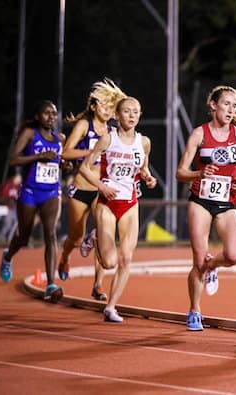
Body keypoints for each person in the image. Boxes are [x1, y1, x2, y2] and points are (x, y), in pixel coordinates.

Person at [176, 85, 236, 331]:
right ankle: (194, 310)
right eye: (226, 104)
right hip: (201, 201)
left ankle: (214, 266)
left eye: (235, 106)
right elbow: (180, 172)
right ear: (213, 105)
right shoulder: (199, 134)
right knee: (198, 261)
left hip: (227, 202)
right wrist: (199, 173)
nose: (231, 110)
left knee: (233, 255)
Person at [78, 96, 156, 322]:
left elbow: (143, 168)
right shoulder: (107, 139)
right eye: (127, 111)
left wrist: (148, 178)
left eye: (136, 112)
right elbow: (84, 168)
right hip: (107, 204)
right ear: (117, 115)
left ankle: (111, 307)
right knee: (109, 261)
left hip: (130, 203)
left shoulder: (144, 142)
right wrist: (101, 186)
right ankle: (95, 238)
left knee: (125, 259)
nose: (132, 115)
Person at [57, 79, 127, 301]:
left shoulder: (112, 131)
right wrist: (90, 153)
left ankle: (97, 285)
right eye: (104, 106)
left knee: (102, 237)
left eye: (110, 107)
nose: (107, 111)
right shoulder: (83, 126)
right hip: (80, 187)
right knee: (76, 238)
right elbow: (65, 153)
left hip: (102, 189)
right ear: (95, 106)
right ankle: (65, 256)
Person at [0, 100, 68, 302]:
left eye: (54, 114)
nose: (51, 117)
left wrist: (64, 166)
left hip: (52, 192)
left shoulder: (60, 138)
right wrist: (37, 157)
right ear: (38, 116)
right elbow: (13, 159)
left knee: (50, 234)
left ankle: (50, 284)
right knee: (24, 235)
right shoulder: (30, 134)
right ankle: (8, 256)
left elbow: (58, 161)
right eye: (46, 113)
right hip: (30, 191)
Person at [0, 173, 22, 242]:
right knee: (7, 223)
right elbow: (1, 197)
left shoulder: (18, 187)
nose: (19, 181)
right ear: (14, 178)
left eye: (20, 180)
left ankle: (9, 238)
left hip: (14, 208)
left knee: (15, 223)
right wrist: (10, 199)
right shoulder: (8, 185)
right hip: (6, 207)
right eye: (18, 179)